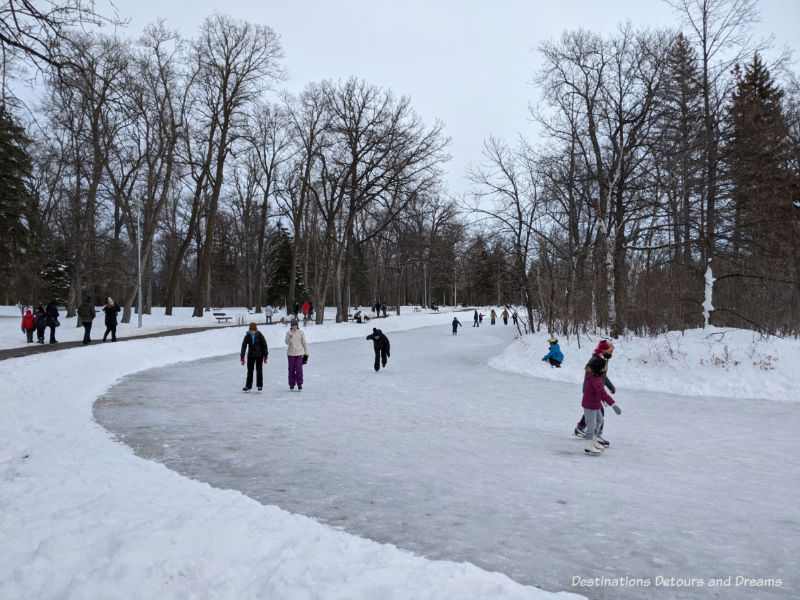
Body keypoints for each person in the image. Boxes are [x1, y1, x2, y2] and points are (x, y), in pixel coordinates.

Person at [574, 340, 616, 445]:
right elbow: (592, 378)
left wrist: (611, 387)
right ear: (603, 351)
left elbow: (603, 377)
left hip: (597, 389)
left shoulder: (603, 359)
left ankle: (580, 428)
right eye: (609, 352)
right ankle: (597, 436)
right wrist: (602, 394)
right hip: (592, 390)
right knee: (598, 412)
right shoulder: (596, 361)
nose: (611, 354)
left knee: (591, 412)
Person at [581, 355, 621, 455]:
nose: (605, 368)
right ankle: (588, 446)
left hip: (595, 403)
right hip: (589, 404)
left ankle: (594, 440)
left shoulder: (598, 376)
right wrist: (613, 404)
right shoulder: (595, 379)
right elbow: (602, 393)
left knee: (599, 420)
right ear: (600, 368)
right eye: (604, 366)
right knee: (591, 425)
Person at [240, 322, 269, 391]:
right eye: (251, 330)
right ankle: (248, 386)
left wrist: (265, 356)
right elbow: (243, 346)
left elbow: (264, 345)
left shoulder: (260, 335)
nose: (253, 331)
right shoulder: (247, 336)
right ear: (249, 330)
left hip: (259, 355)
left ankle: (259, 385)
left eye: (254, 330)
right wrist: (242, 357)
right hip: (250, 356)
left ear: (256, 329)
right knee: (250, 371)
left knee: (259, 370)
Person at [285, 318, 308, 390]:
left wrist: (306, 352)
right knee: (291, 369)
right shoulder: (288, 333)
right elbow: (286, 342)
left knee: (299, 369)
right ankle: (291, 384)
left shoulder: (301, 332)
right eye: (292, 326)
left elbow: (304, 342)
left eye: (295, 325)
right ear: (291, 326)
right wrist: (289, 337)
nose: (294, 327)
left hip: (299, 354)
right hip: (291, 354)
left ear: (297, 326)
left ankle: (299, 384)